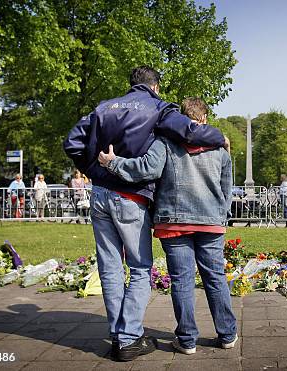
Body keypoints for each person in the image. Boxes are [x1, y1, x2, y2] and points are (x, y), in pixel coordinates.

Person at [63, 67, 226, 362]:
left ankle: (119, 333)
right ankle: (128, 339)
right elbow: (189, 130)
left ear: (132, 85)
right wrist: (218, 135)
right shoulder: (159, 108)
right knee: (139, 269)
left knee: (110, 267)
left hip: (99, 194)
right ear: (156, 87)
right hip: (131, 197)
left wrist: (96, 169)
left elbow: (72, 142)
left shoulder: (103, 107)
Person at [98, 97, 237, 356]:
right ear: (205, 119)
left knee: (182, 282)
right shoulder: (219, 149)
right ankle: (227, 334)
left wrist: (112, 162)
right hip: (210, 223)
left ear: (182, 118)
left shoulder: (165, 143)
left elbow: (145, 169)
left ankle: (187, 340)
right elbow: (226, 186)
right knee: (215, 278)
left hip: (173, 223)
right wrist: (221, 214)